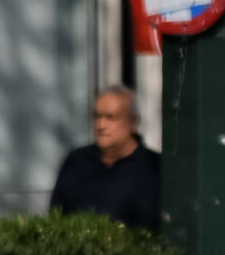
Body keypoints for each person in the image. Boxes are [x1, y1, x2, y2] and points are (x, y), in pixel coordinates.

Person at [49, 86, 161, 230]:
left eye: (111, 117)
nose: (101, 125)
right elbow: (56, 218)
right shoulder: (76, 162)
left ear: (133, 122)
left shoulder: (154, 166)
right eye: (97, 117)